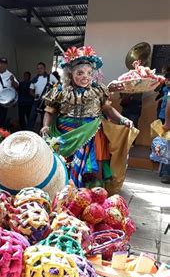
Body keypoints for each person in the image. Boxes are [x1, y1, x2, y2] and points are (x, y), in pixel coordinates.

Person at [40, 46, 136, 194]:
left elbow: (108, 109)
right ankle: (62, 191)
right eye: (80, 73)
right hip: (64, 134)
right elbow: (49, 111)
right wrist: (45, 126)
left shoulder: (97, 90)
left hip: (92, 133)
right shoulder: (59, 91)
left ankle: (91, 196)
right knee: (63, 163)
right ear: (70, 74)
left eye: (89, 73)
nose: (86, 76)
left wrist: (123, 119)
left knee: (94, 165)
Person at [28, 62, 59, 130]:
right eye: (38, 68)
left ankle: (42, 135)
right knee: (31, 119)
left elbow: (58, 85)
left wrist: (52, 93)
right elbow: (30, 91)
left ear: (44, 69)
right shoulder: (34, 79)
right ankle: (28, 134)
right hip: (36, 102)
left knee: (44, 120)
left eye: (41, 68)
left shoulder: (50, 76)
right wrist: (34, 95)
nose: (39, 70)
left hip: (46, 102)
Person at [158, 73, 170, 184]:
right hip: (167, 120)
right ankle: (166, 173)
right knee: (167, 146)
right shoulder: (167, 90)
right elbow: (168, 106)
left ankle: (165, 173)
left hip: (167, 120)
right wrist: (167, 122)